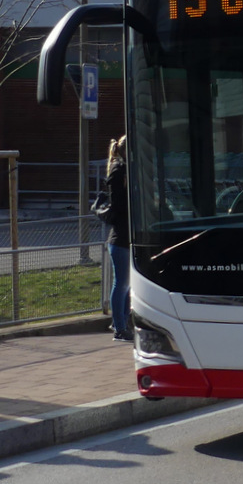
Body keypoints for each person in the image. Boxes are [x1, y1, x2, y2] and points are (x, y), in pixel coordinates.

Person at [105, 135, 132, 342]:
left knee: (127, 283)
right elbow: (118, 206)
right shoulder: (118, 172)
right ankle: (119, 327)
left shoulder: (127, 171)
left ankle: (121, 322)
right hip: (120, 238)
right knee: (121, 283)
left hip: (127, 236)